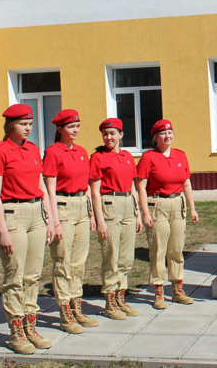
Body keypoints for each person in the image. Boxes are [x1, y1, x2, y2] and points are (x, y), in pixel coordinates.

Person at [0, 104, 57, 355]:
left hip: (36, 214)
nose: (28, 128)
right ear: (10, 125)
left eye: (30, 123)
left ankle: (31, 326)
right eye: (22, 124)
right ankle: (16, 332)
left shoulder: (32, 149)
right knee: (14, 276)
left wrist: (49, 218)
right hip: (13, 215)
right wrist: (2, 230)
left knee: (33, 275)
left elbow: (40, 185)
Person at [43, 109, 99, 334]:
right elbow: (49, 188)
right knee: (63, 261)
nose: (75, 130)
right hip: (62, 207)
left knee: (79, 261)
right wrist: (54, 220)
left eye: (77, 126)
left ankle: (77, 306)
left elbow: (86, 185)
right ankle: (65, 311)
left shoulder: (82, 151)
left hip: (81, 208)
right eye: (70, 127)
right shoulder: (53, 152)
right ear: (59, 129)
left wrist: (92, 213)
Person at [137, 119, 199, 309]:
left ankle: (178, 289)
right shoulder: (148, 157)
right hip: (157, 205)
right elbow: (140, 186)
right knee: (158, 249)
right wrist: (145, 212)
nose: (167, 136)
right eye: (163, 133)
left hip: (177, 204)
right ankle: (158, 291)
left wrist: (192, 207)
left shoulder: (181, 155)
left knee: (176, 248)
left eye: (170, 132)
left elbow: (187, 183)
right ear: (156, 137)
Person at [89, 118, 142, 320]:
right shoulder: (97, 158)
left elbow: (132, 186)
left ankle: (121, 297)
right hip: (109, 205)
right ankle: (110, 301)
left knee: (126, 257)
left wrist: (136, 213)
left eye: (112, 133)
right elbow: (94, 192)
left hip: (128, 204)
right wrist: (99, 220)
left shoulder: (128, 157)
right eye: (105, 133)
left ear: (121, 134)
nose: (109, 137)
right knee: (111, 254)